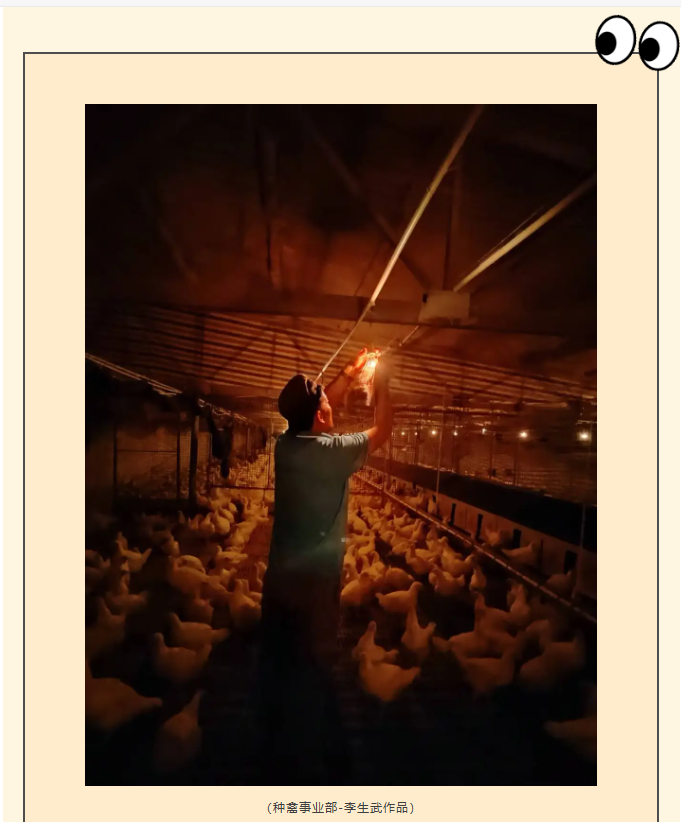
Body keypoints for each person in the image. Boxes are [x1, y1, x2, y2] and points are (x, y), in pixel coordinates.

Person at [256, 348, 393, 784]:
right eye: (328, 403)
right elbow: (384, 429)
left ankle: (269, 744)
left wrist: (350, 374)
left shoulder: (286, 445)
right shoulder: (334, 451)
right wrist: (382, 383)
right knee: (314, 667)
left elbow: (312, 409)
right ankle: (308, 758)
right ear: (319, 415)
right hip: (315, 585)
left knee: (279, 658)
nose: (333, 404)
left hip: (280, 579)